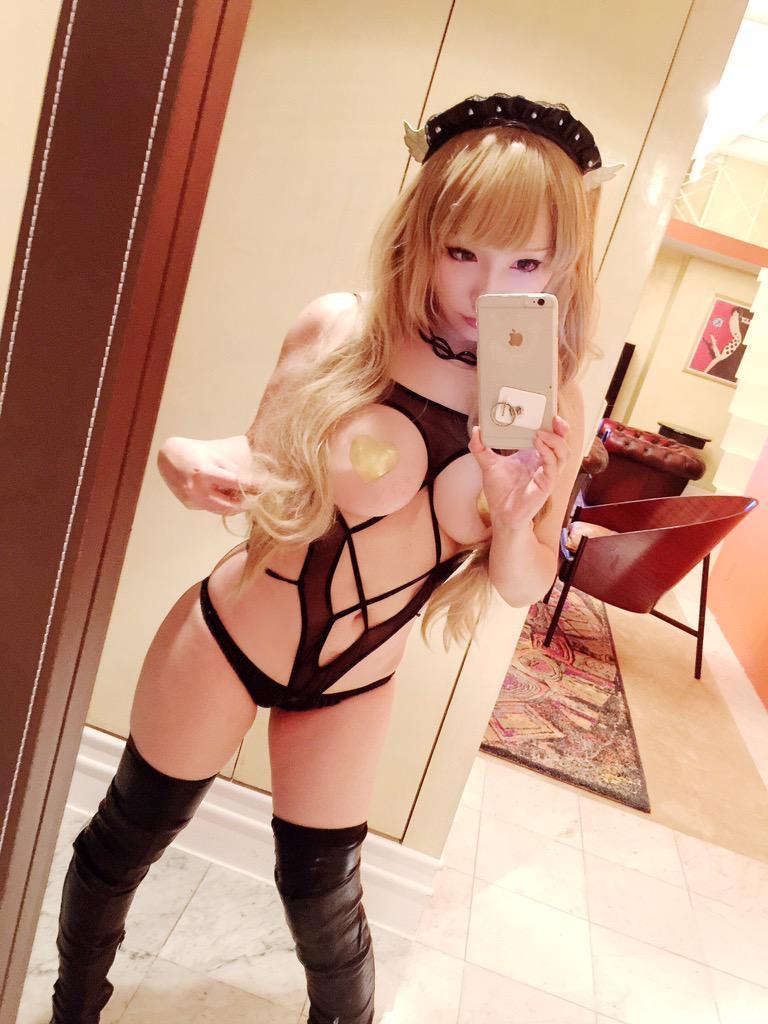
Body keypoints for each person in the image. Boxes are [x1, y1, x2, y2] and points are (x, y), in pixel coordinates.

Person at [50, 92, 617, 1024]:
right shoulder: (343, 329)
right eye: (463, 252)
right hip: (229, 637)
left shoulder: (555, 401)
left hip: (356, 680)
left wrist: (518, 516)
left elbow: (522, 585)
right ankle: (73, 1006)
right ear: (423, 232)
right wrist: (179, 460)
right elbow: (253, 456)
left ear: (563, 261)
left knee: (326, 909)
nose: (487, 288)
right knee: (121, 847)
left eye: (525, 261)